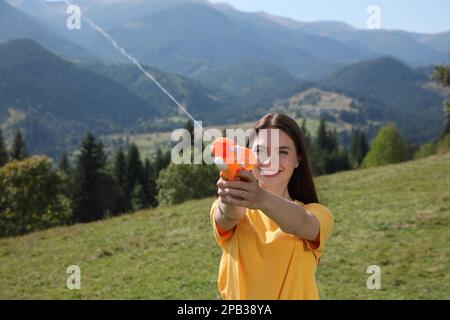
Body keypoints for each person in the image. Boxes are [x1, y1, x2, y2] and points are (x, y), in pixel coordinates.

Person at [210, 113, 334, 300]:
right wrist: (233, 191)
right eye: (260, 151)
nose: (270, 161)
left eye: (282, 152)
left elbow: (300, 224)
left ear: (298, 159)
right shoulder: (235, 208)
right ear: (248, 156)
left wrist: (259, 197)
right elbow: (228, 215)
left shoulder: (318, 213)